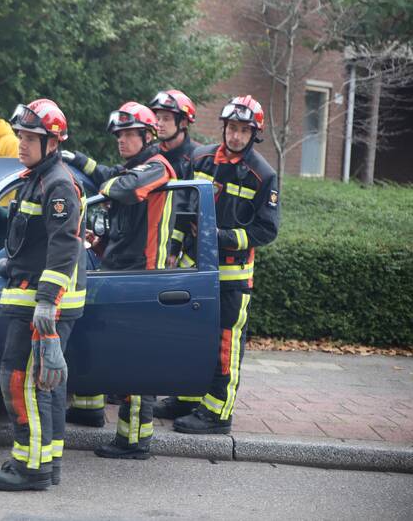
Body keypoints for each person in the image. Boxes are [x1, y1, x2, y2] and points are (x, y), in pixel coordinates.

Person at [63, 101, 176, 459]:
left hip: (142, 278)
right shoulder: (134, 166)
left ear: (147, 136)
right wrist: (79, 160)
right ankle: (95, 414)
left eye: (129, 135)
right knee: (115, 352)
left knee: (136, 360)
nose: (122, 141)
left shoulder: (158, 167)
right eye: (119, 135)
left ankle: (134, 440)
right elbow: (111, 175)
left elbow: (123, 189)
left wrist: (103, 186)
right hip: (120, 273)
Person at [0, 99, 87, 492]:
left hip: (43, 304)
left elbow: (65, 245)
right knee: (46, 385)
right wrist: (11, 264)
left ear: (52, 142)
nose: (22, 144)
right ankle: (47, 463)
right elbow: (34, 241)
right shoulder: (35, 177)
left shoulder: (57, 183)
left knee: (18, 380)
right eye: (21, 136)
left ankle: (30, 467)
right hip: (35, 295)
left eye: (31, 138)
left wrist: (46, 299)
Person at [167, 96, 280, 435]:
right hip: (194, 269)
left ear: (254, 134)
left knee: (225, 345)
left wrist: (224, 237)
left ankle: (217, 414)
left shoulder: (263, 175)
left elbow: (267, 230)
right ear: (224, 127)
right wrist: (173, 245)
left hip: (232, 278)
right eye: (232, 128)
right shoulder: (200, 159)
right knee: (190, 337)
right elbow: (182, 204)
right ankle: (186, 399)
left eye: (243, 131)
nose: (235, 136)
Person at [148, 89, 198, 269]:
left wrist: (173, 247)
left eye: (166, 119)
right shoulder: (151, 154)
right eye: (157, 117)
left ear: (183, 122)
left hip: (183, 252)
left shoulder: (197, 158)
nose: (159, 124)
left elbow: (186, 206)